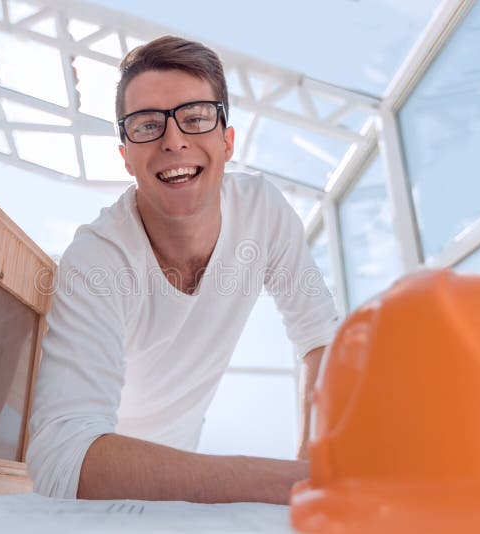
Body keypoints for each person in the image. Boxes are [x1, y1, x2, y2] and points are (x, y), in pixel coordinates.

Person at [26, 35, 339, 504]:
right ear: (126, 155)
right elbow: (61, 460)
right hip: (105, 490)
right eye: (148, 125)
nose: (174, 141)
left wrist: (311, 467)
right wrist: (292, 482)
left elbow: (320, 339)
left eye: (195, 118)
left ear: (227, 141)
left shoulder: (264, 213)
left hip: (184, 482)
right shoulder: (96, 258)